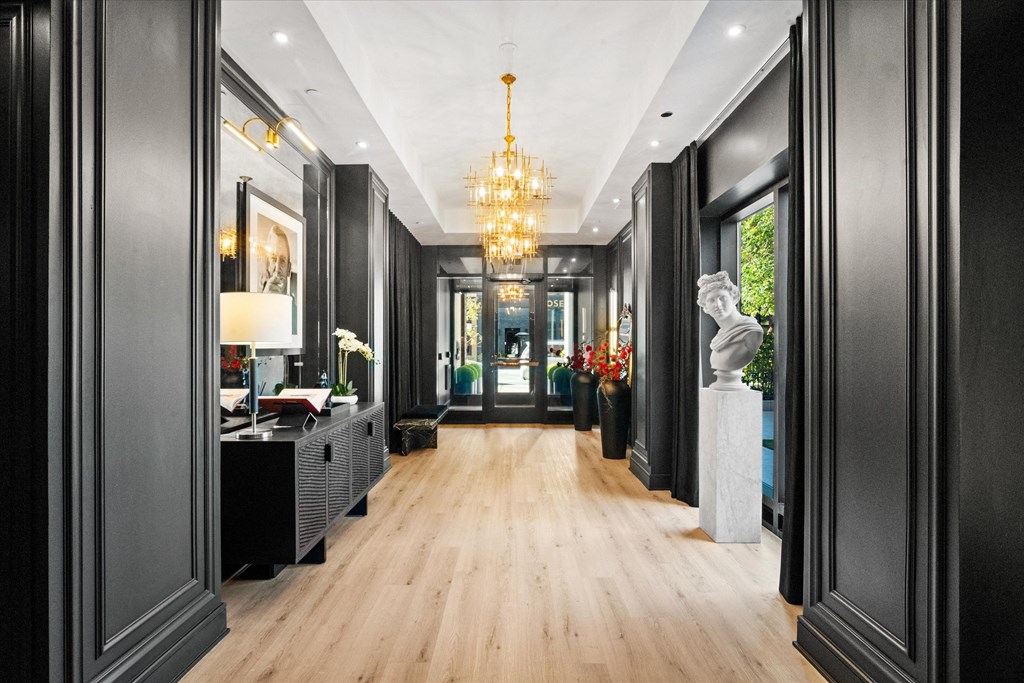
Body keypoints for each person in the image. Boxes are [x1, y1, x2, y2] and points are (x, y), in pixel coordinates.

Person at [696, 271, 763, 389]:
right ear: (706, 307)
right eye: (711, 300)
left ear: (733, 298)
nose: (718, 304)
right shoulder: (719, 337)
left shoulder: (750, 331)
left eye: (722, 298)